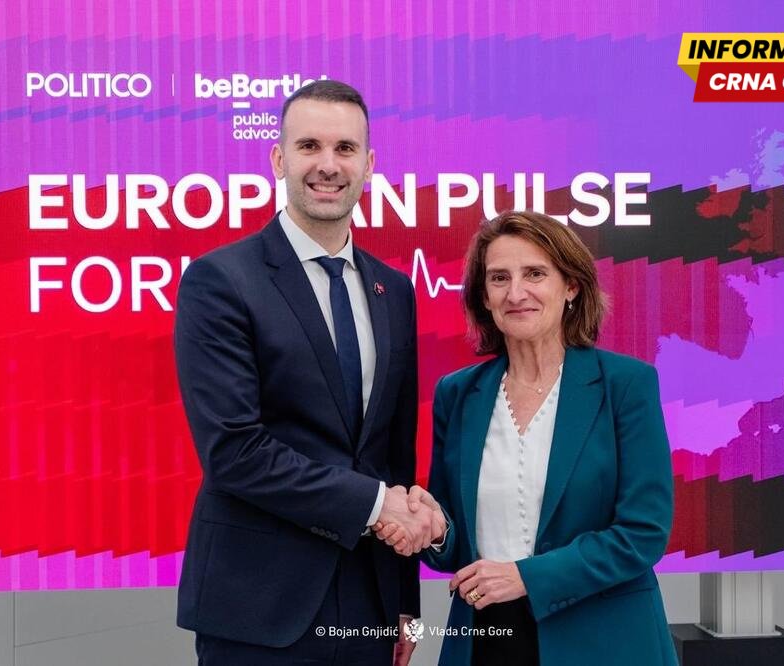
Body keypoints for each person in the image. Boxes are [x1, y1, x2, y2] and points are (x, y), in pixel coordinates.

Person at [174, 80, 444, 666]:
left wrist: (403, 599)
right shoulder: (220, 281)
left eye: (345, 148)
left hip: (369, 600)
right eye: (309, 146)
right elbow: (234, 452)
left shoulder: (394, 290)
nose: (328, 165)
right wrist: (376, 505)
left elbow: (393, 455)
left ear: (369, 164)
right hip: (260, 604)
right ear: (279, 159)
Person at [376, 210, 678, 665]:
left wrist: (526, 577)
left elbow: (644, 531)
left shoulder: (625, 385)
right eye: (499, 278)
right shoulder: (457, 394)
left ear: (571, 286)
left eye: (535, 274)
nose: (516, 293)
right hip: (485, 638)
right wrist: (435, 532)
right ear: (484, 296)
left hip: (604, 642)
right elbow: (454, 546)